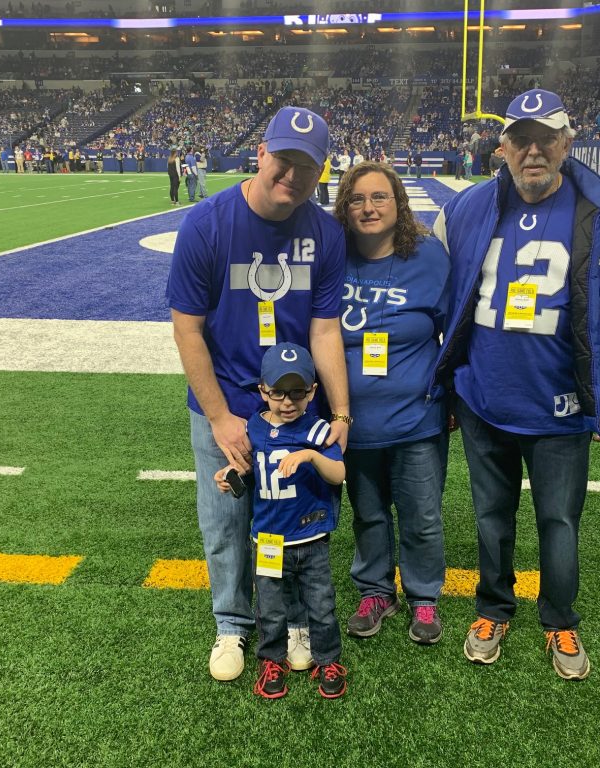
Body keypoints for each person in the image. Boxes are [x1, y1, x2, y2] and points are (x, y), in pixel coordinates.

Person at [431, 88, 600, 680]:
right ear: (502, 146)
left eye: (545, 139)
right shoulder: (465, 209)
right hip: (483, 397)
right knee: (491, 516)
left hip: (563, 405)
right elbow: (433, 294)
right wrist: (444, 379)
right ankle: (493, 608)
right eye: (521, 140)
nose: (534, 152)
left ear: (567, 142)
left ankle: (559, 618)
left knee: (559, 521)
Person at [167, 106, 350, 683]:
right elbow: (187, 327)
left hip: (294, 408)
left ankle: (295, 621)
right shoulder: (208, 222)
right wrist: (221, 416)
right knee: (225, 522)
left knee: (294, 520)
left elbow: (324, 330)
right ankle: (231, 623)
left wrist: (340, 411)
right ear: (262, 154)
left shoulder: (324, 232)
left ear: (321, 172)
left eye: (308, 166)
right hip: (223, 406)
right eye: (284, 159)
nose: (293, 175)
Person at [333, 161, 450, 645]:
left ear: (398, 203)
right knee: (370, 514)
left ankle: (424, 598)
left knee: (422, 515)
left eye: (379, 197)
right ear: (344, 206)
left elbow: (453, 330)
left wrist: (454, 395)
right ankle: (376, 590)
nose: (368, 207)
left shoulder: (429, 257)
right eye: (358, 198)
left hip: (416, 417)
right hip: (352, 421)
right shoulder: (331, 256)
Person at [215, 343, 348, 700]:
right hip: (269, 540)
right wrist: (232, 475)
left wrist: (309, 456)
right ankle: (272, 660)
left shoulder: (318, 431)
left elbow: (338, 473)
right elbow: (252, 471)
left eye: (297, 392)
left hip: (311, 536)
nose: (288, 402)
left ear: (312, 392)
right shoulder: (255, 429)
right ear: (262, 390)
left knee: (322, 605)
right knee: (270, 610)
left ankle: (328, 660)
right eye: (278, 392)